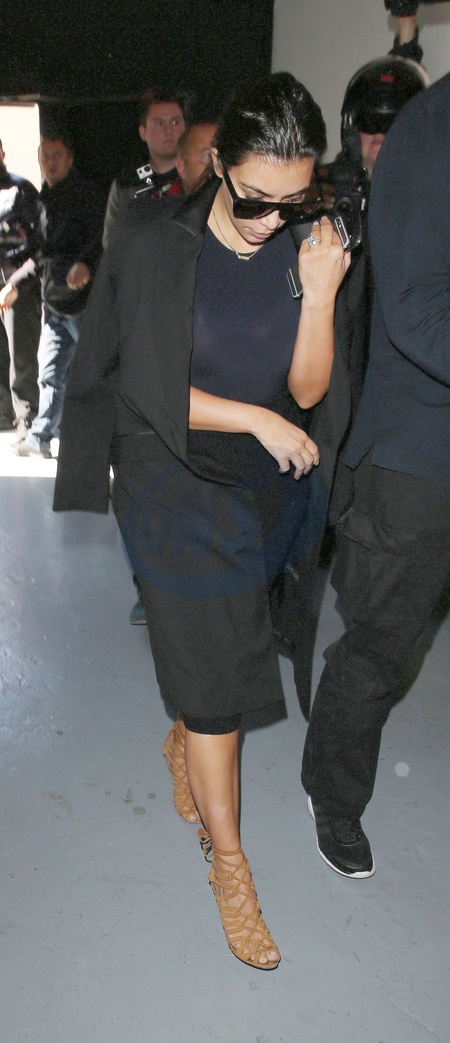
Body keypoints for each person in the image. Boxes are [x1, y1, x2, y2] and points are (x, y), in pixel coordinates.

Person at [54, 72, 350, 969]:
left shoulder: (305, 243)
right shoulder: (156, 245)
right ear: (218, 164)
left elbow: (307, 389)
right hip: (169, 468)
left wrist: (322, 292)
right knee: (222, 677)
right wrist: (256, 418)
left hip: (260, 484)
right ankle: (229, 863)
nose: (270, 220)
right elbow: (143, 383)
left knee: (220, 642)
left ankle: (186, 725)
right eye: (254, 198)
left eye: (293, 200)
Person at [302, 73, 450, 879]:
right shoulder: (421, 145)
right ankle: (332, 792)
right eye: (369, 132)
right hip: (406, 455)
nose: (377, 144)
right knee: (380, 647)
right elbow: (414, 314)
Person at [128, 119, 218, 628]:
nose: (216, 162)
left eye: (221, 151)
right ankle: (154, 591)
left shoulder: (248, 223)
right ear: (182, 166)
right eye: (206, 153)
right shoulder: (152, 220)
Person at [6, 133, 104, 459]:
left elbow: (104, 236)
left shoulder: (86, 196)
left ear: (70, 160)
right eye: (45, 156)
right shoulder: (43, 200)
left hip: (85, 305)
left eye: (57, 155)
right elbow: (41, 255)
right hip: (56, 306)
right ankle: (40, 439)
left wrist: (86, 264)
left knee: (96, 377)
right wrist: (16, 283)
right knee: (49, 375)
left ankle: (105, 444)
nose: (50, 162)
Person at [102, 87, 187, 249]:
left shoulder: (200, 179)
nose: (168, 130)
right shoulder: (126, 186)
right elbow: (112, 246)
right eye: (159, 123)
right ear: (143, 132)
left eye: (175, 122)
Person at [0, 139, 41, 439]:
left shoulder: (21, 190)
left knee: (21, 352)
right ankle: (4, 412)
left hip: (15, 280)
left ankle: (26, 417)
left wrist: (16, 283)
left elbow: (39, 244)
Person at [176, 122, 218, 194]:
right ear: (181, 167)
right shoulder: (165, 199)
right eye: (208, 156)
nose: (217, 163)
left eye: (222, 155)